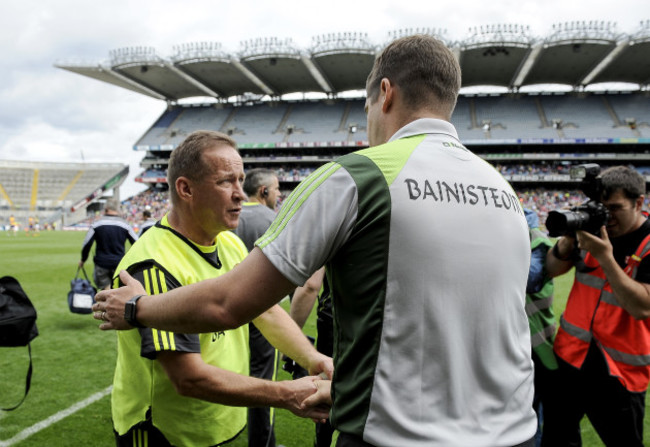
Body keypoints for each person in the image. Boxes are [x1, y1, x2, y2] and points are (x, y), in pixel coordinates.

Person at [94, 35, 537, 447]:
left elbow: (230, 305)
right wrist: (312, 357)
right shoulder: (501, 190)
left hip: (398, 432)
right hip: (514, 429)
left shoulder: (358, 176)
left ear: (385, 94)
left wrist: (135, 308)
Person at [109, 130, 332, 446]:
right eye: (226, 181)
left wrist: (312, 357)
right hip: (166, 433)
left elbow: (265, 311)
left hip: (215, 423)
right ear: (186, 189)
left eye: (241, 180)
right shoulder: (152, 265)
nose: (241, 193)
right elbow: (188, 378)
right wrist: (285, 394)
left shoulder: (229, 242)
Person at [541, 165, 650, 447]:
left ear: (639, 202)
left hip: (620, 373)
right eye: (602, 208)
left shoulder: (647, 244)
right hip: (570, 358)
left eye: (615, 208)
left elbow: (642, 308)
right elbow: (552, 270)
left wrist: (605, 257)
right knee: (558, 439)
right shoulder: (592, 228)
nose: (607, 217)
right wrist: (566, 242)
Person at [233, 168, 282, 447]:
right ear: (263, 191)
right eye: (276, 189)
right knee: (263, 377)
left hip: (226, 308)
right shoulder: (275, 220)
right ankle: (263, 443)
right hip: (263, 312)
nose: (279, 195)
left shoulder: (231, 219)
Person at [288, 267, 334, 447]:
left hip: (337, 324)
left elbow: (310, 284)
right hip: (385, 323)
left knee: (326, 396)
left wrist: (290, 345)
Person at [523, 208, 557, 447]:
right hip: (521, 339)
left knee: (537, 410)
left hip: (539, 340)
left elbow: (532, 279)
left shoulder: (538, 241)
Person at [80, 198, 137, 290]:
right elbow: (137, 242)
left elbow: (87, 244)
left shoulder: (97, 224)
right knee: (117, 291)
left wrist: (83, 259)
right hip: (119, 264)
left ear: (106, 208)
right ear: (117, 209)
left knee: (106, 292)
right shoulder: (125, 225)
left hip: (102, 264)